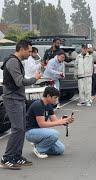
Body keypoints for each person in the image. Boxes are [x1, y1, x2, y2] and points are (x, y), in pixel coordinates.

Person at [0, 40, 41, 170]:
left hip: (18, 99)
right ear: (22, 49)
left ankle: (16, 156)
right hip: (12, 99)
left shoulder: (17, 61)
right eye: (28, 51)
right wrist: (35, 78)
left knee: (21, 128)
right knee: (17, 128)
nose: (30, 53)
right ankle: (7, 158)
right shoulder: (12, 62)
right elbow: (19, 82)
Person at [25, 87, 75, 158]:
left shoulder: (48, 105)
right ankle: (39, 150)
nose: (56, 100)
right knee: (54, 134)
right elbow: (42, 124)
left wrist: (66, 120)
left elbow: (54, 121)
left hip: (40, 132)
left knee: (60, 149)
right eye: (55, 97)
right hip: (30, 132)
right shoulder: (38, 105)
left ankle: (39, 144)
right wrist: (60, 122)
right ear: (48, 96)